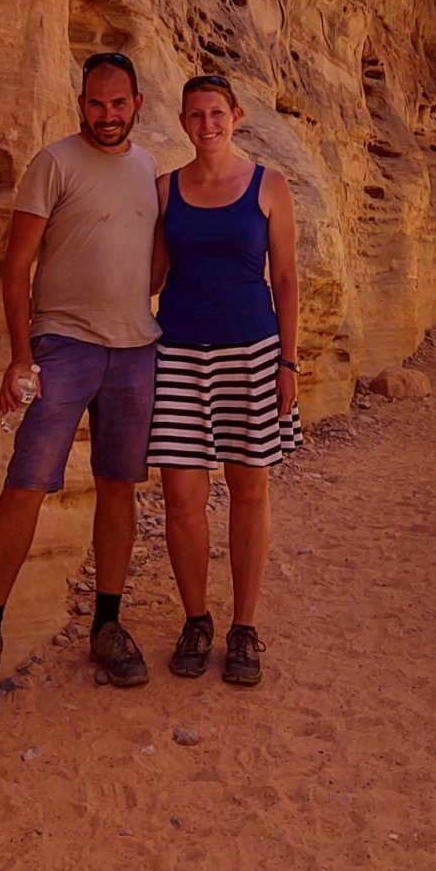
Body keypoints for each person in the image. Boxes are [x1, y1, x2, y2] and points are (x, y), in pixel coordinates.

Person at [0, 51, 160, 717]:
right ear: (80, 104)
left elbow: (151, 260)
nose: (107, 115)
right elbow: (15, 268)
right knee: (26, 483)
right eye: (96, 103)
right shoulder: (54, 163)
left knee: (118, 485)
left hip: (133, 351)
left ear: (137, 104)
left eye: (118, 103)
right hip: (62, 348)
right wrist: (21, 357)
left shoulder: (148, 168)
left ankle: (107, 621)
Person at [147, 73, 301, 687]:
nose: (206, 124)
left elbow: (286, 278)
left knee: (248, 490)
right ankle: (195, 619)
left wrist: (288, 362)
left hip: (252, 353)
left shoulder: (269, 186)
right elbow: (151, 275)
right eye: (194, 115)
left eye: (216, 112)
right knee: (181, 497)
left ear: (235, 115)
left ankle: (244, 626)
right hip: (178, 355)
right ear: (183, 121)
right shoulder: (164, 191)